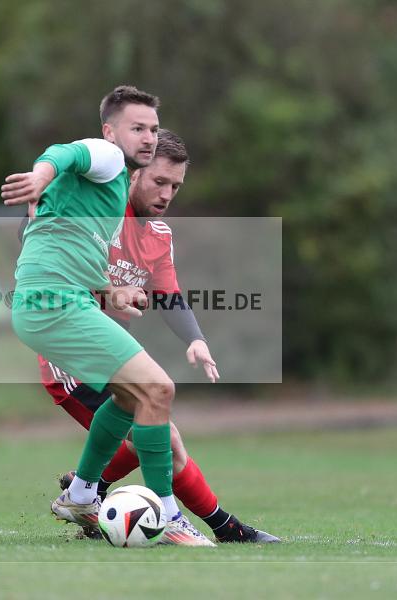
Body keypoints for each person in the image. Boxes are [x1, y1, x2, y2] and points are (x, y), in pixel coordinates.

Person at [32, 130, 280, 544]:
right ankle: (200, 524)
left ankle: (84, 490)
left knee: (155, 426)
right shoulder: (100, 215)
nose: (167, 193)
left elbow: (168, 293)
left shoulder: (159, 234)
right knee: (164, 431)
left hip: (109, 351)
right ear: (131, 176)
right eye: (159, 181)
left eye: (175, 186)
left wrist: (194, 338)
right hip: (72, 354)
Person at [2, 85, 213, 546]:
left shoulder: (111, 191)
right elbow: (65, 152)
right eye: (137, 128)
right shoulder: (108, 158)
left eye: (154, 129)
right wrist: (40, 176)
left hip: (58, 301)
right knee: (158, 390)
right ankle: (169, 516)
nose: (149, 138)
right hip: (52, 304)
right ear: (110, 130)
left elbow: (70, 249)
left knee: (132, 398)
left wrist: (108, 291)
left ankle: (80, 494)